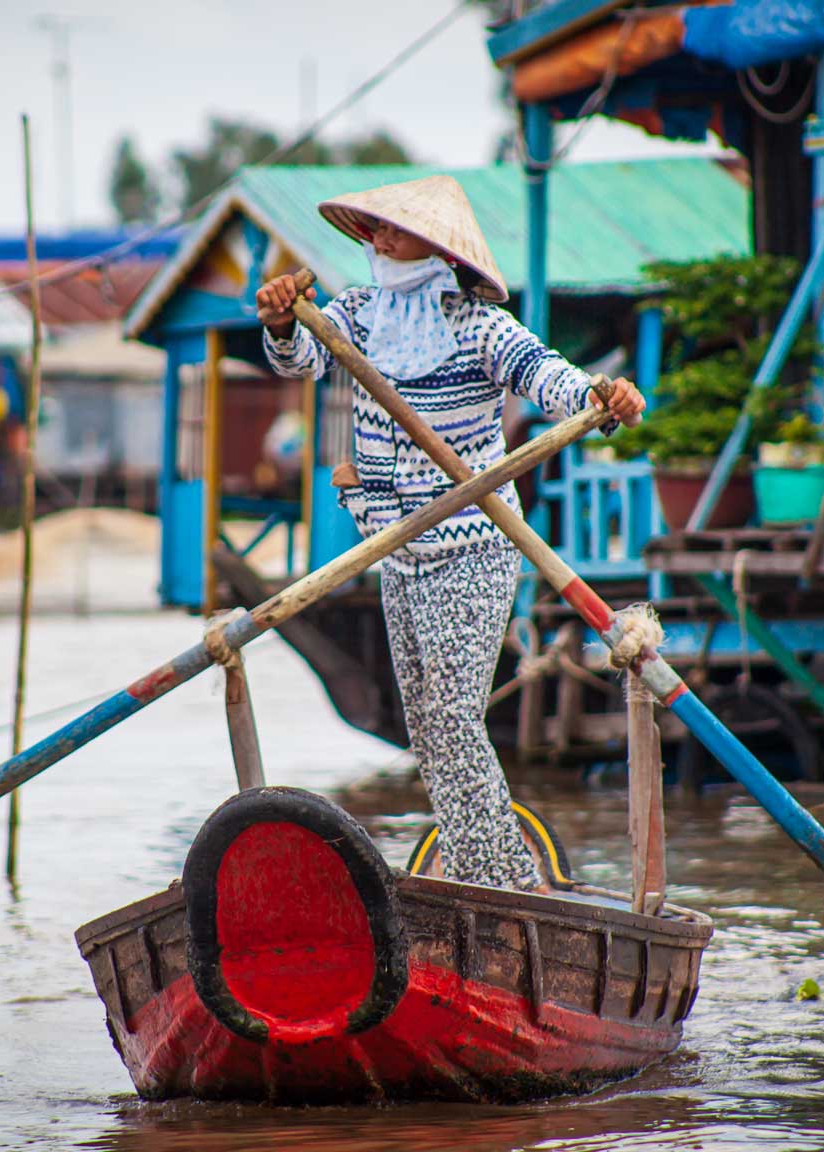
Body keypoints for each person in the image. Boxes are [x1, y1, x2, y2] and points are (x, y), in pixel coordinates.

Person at [255, 175, 645, 893]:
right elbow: (300, 360)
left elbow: (546, 375)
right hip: (396, 549)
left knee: (456, 722)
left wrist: (601, 397)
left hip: (471, 546)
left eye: (392, 230)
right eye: (373, 229)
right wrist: (282, 321)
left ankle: (502, 883)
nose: (378, 239)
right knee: (426, 731)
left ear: (433, 248)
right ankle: (474, 871)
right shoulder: (359, 315)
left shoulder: (478, 326)